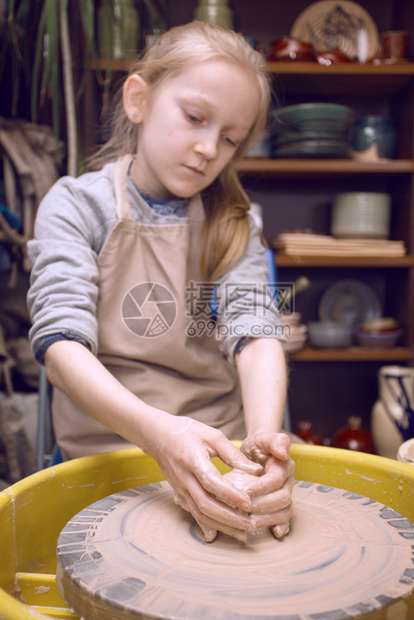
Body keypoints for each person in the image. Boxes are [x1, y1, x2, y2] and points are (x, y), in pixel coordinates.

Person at [27, 20, 295, 543]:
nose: (207, 149)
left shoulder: (236, 219)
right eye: (194, 118)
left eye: (229, 139)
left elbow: (257, 331)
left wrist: (263, 445)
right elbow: (60, 347)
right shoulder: (77, 206)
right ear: (138, 99)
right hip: (110, 445)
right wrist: (161, 436)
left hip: (224, 444)